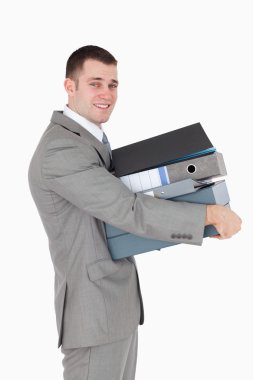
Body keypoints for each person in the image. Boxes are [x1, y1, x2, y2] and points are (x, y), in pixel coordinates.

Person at [28, 45, 241, 380]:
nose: (107, 93)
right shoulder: (62, 149)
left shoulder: (88, 138)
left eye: (113, 84)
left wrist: (199, 215)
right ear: (70, 86)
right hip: (94, 317)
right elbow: (125, 208)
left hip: (115, 308)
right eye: (95, 83)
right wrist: (206, 216)